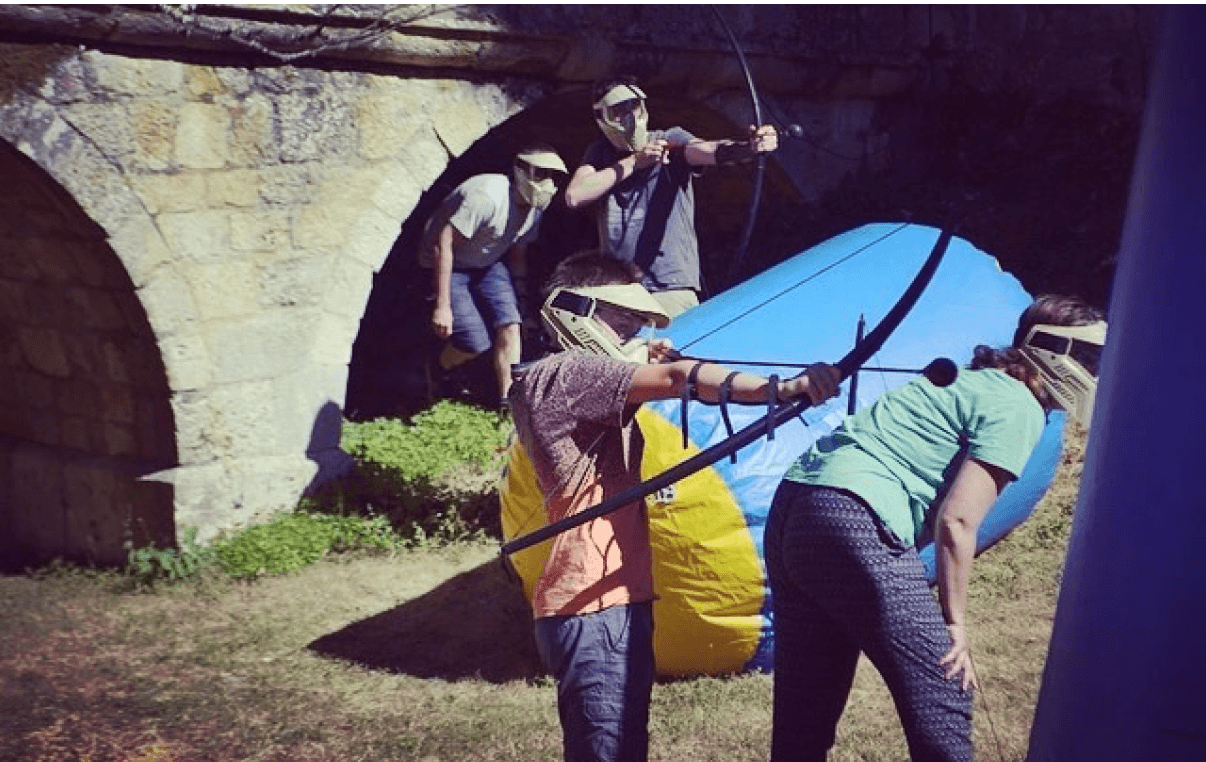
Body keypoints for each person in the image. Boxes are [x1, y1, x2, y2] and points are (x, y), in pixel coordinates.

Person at [508, 250, 839, 762]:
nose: (633, 334)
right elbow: (678, 380)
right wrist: (783, 389)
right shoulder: (563, 374)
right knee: (604, 752)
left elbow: (650, 376)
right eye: (624, 322)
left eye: (639, 324)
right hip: (590, 601)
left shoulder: (571, 380)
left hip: (620, 594)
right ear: (579, 311)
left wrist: (640, 354)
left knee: (625, 747)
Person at [764, 294, 1108, 762]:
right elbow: (958, 520)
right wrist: (954, 624)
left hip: (794, 510)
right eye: (1091, 359)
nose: (1097, 371)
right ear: (1055, 351)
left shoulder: (973, 383)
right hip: (853, 516)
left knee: (805, 714)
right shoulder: (1020, 405)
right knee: (945, 681)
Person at [563, 75, 779, 317]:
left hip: (670, 288)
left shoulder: (670, 139)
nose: (629, 116)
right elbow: (575, 196)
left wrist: (748, 147)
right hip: (619, 292)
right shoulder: (599, 152)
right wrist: (635, 162)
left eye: (634, 106)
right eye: (618, 110)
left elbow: (706, 150)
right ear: (602, 118)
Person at [419, 143, 569, 408]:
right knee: (474, 341)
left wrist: (520, 297)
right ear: (519, 170)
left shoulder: (534, 209)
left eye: (553, 176)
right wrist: (443, 306)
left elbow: (518, 251)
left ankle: (509, 403)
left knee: (511, 325)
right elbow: (443, 244)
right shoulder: (487, 196)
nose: (546, 183)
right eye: (539, 173)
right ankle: (437, 369)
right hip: (449, 263)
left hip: (487, 262)